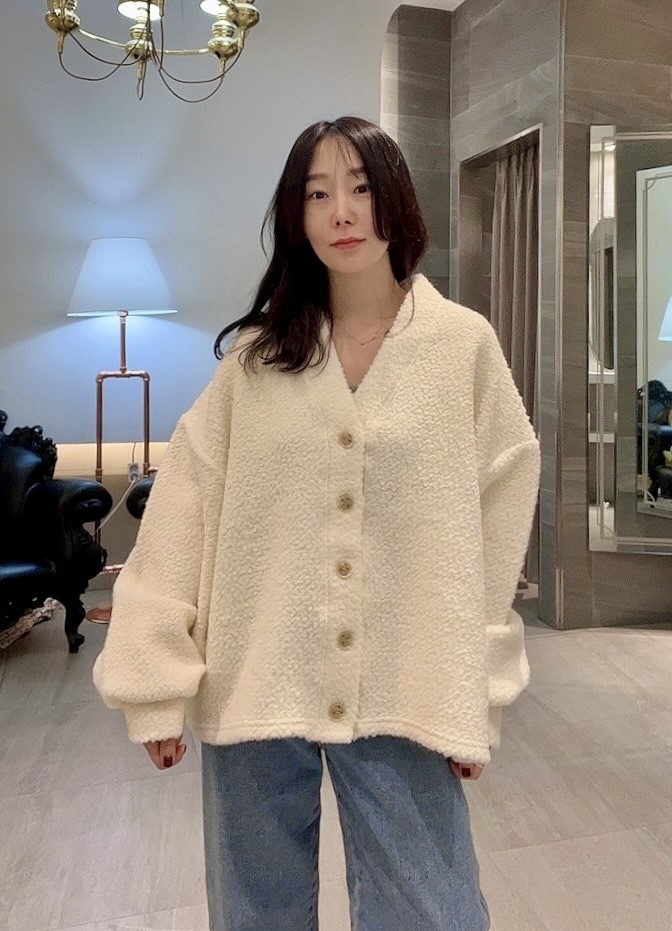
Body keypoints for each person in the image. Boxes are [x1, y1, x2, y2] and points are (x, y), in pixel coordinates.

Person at [93, 115, 541, 931]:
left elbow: (499, 510)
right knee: (255, 914)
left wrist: (476, 690)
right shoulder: (257, 361)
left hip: (408, 683)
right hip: (255, 678)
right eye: (318, 193)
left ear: (395, 200)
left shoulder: (461, 347)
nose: (342, 211)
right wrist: (155, 678)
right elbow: (184, 507)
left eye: (361, 188)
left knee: (433, 912)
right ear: (296, 216)